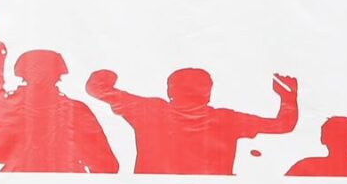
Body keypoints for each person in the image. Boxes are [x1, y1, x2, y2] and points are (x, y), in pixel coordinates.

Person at [85, 66, 297, 174]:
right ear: (208, 92)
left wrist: (107, 75)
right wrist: (288, 97)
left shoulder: (149, 111)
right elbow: (283, 125)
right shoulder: (227, 119)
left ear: (170, 90)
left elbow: (95, 88)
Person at [0, 43, 116, 173]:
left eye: (42, 72)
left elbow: (107, 166)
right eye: (36, 72)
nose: (40, 78)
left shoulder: (75, 111)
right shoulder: (76, 111)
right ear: (59, 75)